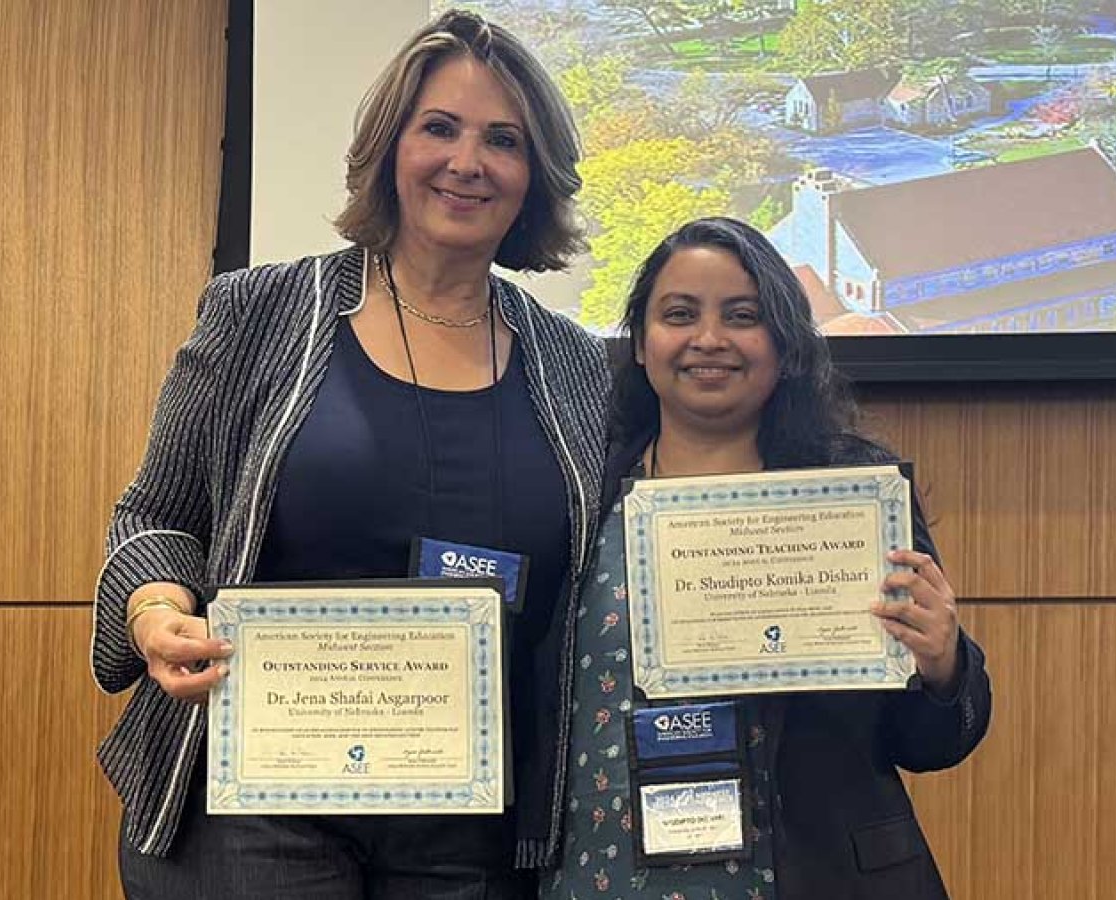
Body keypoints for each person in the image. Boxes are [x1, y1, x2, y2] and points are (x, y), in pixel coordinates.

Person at [91, 10, 610, 898]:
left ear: (536, 175)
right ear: (389, 147)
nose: (467, 162)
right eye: (438, 128)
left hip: (472, 823)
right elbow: (156, 514)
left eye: (504, 140)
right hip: (254, 799)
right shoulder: (260, 311)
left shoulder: (579, 363)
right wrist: (153, 615)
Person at [543, 218, 991, 900]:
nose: (710, 339)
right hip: (602, 879)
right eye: (679, 314)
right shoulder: (581, 491)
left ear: (784, 343)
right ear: (639, 342)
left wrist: (942, 664)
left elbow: (928, 742)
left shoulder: (853, 497)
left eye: (743, 316)